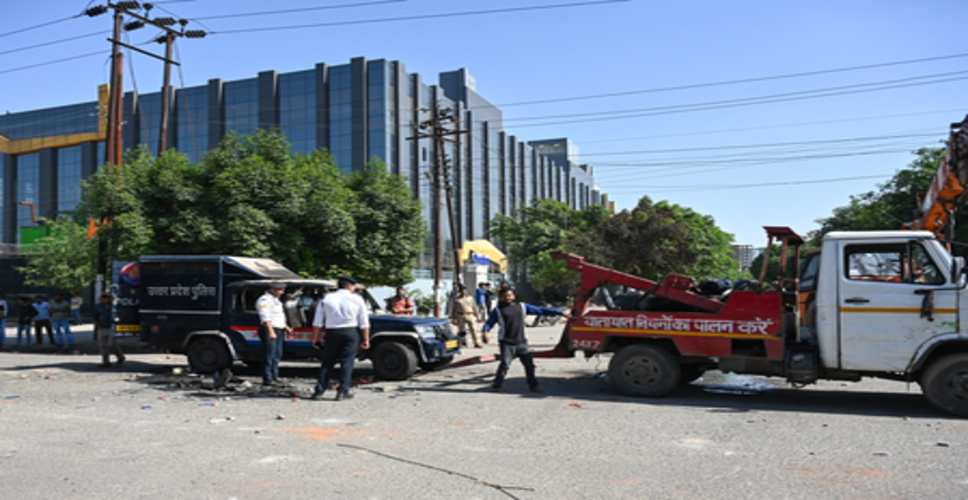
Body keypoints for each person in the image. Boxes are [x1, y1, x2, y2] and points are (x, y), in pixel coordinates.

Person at [482, 288, 569, 393]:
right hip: (506, 342)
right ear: (500, 297)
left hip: (522, 342)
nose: (507, 298)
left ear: (514, 296)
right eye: (504, 296)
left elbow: (540, 310)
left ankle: (533, 386)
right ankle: (497, 386)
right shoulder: (497, 310)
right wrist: (485, 332)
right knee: (505, 365)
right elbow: (489, 323)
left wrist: (560, 313)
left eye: (509, 295)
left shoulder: (522, 307)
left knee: (529, 365)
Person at [310, 277, 370, 401]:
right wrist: (366, 339)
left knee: (327, 361)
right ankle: (342, 392)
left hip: (332, 332)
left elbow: (318, 321)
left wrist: (316, 338)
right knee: (347, 362)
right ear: (350, 286)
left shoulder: (327, 298)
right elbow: (364, 322)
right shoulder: (357, 299)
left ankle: (319, 392)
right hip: (350, 332)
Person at [256, 282, 291, 386]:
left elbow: (277, 316)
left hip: (279, 330)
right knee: (269, 354)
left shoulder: (275, 300)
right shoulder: (264, 300)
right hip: (270, 330)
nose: (282, 292)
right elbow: (265, 318)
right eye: (280, 290)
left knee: (277, 354)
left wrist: (285, 326)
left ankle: (275, 376)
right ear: (272, 289)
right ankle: (267, 378)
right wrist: (271, 332)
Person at [94, 293, 125, 368]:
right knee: (102, 345)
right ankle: (106, 361)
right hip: (102, 327)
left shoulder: (115, 306)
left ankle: (120, 356)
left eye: (109, 298)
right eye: (106, 298)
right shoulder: (99, 307)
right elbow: (95, 316)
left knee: (111, 344)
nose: (108, 300)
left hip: (112, 327)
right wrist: (97, 324)